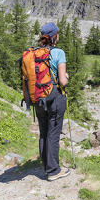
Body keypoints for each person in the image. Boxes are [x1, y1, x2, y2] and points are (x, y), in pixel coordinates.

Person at [36, 22, 71, 181]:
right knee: (53, 133)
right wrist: (67, 77)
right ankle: (54, 171)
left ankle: (46, 167)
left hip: (38, 97)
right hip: (54, 96)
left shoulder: (35, 52)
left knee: (43, 132)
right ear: (54, 36)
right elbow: (62, 81)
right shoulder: (59, 53)